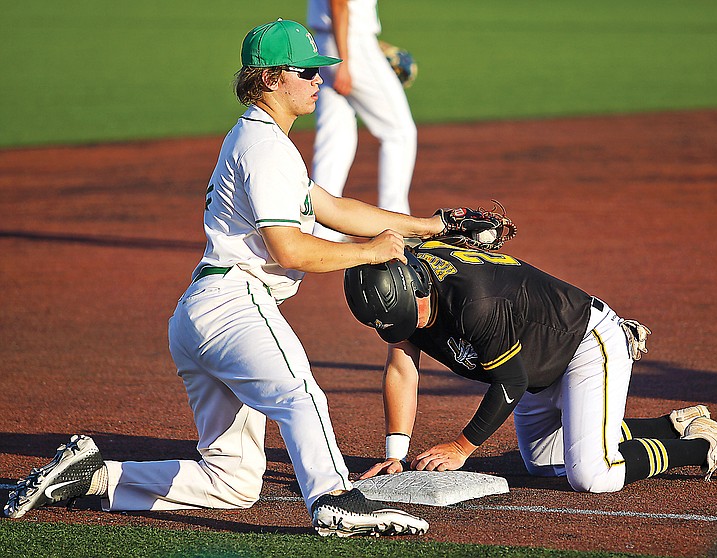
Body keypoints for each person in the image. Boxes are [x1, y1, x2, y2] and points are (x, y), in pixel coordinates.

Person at [3, 19, 445, 538]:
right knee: (300, 394)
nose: (318, 81)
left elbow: (334, 208)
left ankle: (95, 479)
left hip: (201, 315)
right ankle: (334, 500)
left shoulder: (264, 141)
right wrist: (368, 254)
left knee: (233, 480)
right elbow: (290, 248)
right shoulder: (263, 148)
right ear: (271, 78)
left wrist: (433, 226)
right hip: (235, 305)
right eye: (306, 72)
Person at [343, 242, 717, 491]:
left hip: (585, 344)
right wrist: (394, 456)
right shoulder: (396, 290)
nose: (412, 327)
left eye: (411, 314)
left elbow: (510, 381)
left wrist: (462, 447)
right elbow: (402, 368)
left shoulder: (475, 303)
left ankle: (702, 448)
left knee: (593, 475)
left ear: (417, 283)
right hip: (539, 361)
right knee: (544, 464)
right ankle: (672, 425)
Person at [306, 0, 417, 242]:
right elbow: (339, 3)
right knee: (399, 132)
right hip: (350, 43)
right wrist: (345, 61)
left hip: (326, 42)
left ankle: (324, 229)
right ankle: (396, 222)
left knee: (335, 138)